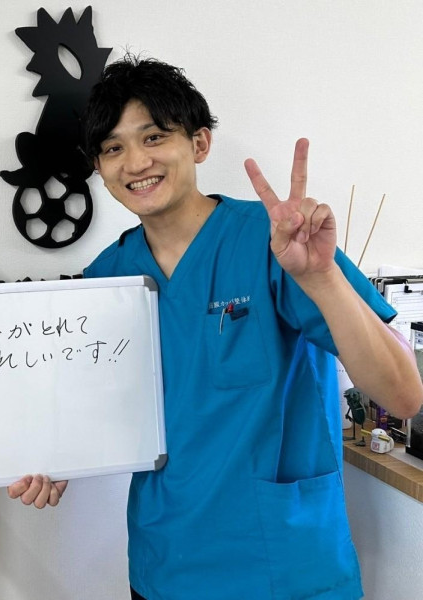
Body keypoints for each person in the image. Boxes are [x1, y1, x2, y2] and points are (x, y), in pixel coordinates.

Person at [77, 55, 423, 600]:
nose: (136, 161)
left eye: (154, 136)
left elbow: (402, 395)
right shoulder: (105, 279)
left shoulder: (278, 242)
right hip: (165, 565)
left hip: (285, 566)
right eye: (113, 148)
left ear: (199, 143)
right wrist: (35, 461)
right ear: (100, 168)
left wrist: (323, 279)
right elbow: (83, 412)